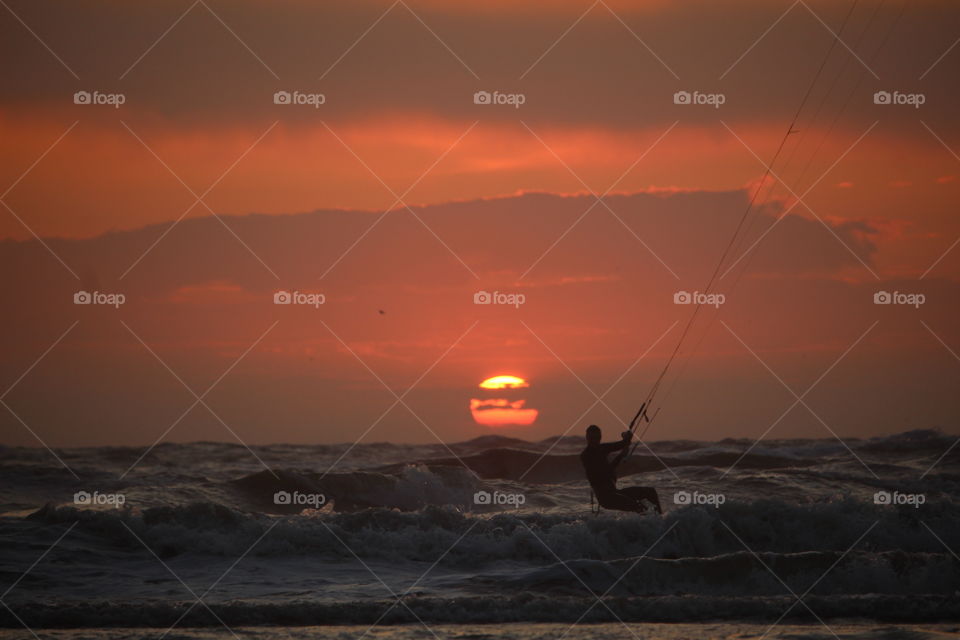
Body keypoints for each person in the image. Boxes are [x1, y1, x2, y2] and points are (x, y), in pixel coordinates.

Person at [580, 424, 662, 514]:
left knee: (650, 492)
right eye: (592, 438)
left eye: (598, 437)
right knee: (638, 507)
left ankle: (660, 518)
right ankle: (649, 521)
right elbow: (605, 472)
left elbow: (621, 444)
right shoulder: (586, 456)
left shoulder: (602, 448)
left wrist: (626, 438)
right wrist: (621, 456)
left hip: (615, 493)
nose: (595, 440)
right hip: (606, 498)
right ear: (587, 438)